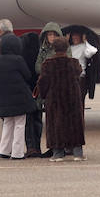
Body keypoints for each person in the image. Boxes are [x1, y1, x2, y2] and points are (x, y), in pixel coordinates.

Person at [36, 36, 85, 161]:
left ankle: (58, 153)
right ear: (67, 47)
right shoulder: (73, 62)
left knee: (56, 124)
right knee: (74, 124)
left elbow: (42, 82)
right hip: (72, 97)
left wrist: (44, 95)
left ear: (54, 48)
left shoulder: (47, 64)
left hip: (54, 99)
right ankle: (77, 153)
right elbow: (79, 73)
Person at [0, 32, 36, 159]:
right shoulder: (18, 59)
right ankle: (17, 153)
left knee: (8, 123)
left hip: (5, 96)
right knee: (20, 124)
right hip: (20, 96)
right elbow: (27, 75)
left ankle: (4, 150)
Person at [28, 22, 63, 158]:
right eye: (49, 34)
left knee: (59, 120)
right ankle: (52, 146)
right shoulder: (43, 49)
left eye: (54, 34)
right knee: (49, 121)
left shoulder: (63, 49)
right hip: (47, 89)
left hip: (59, 89)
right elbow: (37, 67)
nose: (52, 37)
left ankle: (60, 147)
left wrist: (47, 67)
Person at [67, 30, 99, 99]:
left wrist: (85, 41)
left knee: (79, 100)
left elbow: (93, 51)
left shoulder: (84, 46)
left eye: (77, 35)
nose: (75, 37)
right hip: (69, 78)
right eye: (73, 35)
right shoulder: (69, 48)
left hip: (80, 78)